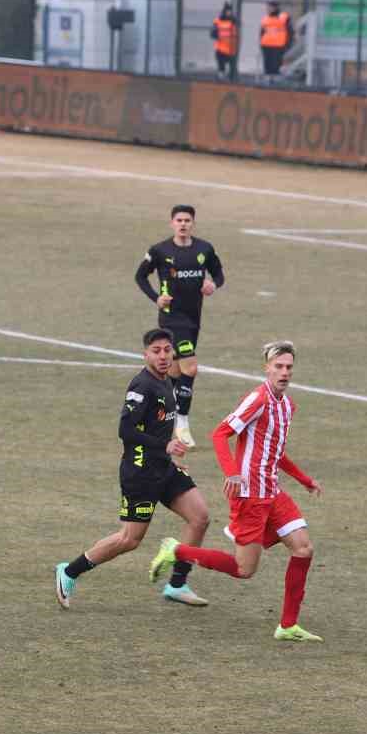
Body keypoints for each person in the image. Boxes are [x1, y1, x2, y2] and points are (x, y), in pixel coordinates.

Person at [147, 340, 325, 643]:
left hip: (273, 492)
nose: (284, 372)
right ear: (266, 368)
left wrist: (304, 479)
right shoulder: (258, 399)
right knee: (244, 569)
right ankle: (176, 550)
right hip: (251, 498)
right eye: (278, 366)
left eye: (288, 367)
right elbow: (221, 433)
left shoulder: (287, 406)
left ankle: (287, 625)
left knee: (304, 548)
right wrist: (231, 472)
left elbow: (275, 451)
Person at [54, 328, 211, 608]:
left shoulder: (166, 382)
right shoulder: (142, 386)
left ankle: (177, 584)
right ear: (145, 354)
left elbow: (161, 422)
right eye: (156, 351)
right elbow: (125, 429)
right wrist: (164, 447)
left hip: (165, 468)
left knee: (200, 517)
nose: (163, 356)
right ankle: (69, 571)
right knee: (129, 539)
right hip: (141, 473)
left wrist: (172, 450)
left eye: (167, 350)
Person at [133, 204, 225, 448]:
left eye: (187, 220)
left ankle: (162, 417)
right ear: (172, 223)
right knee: (191, 367)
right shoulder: (160, 250)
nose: (183, 224)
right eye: (179, 220)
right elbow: (140, 276)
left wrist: (213, 285)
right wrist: (156, 298)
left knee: (173, 373)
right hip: (171, 317)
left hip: (194, 317)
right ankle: (182, 422)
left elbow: (219, 274)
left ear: (193, 223)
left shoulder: (204, 249)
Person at [259, 0, 292, 80]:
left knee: (276, 66)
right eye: (268, 7)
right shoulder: (265, 18)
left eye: (270, 7)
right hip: (266, 45)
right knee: (267, 66)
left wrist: (288, 44)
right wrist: (261, 43)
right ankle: (267, 81)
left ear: (275, 7)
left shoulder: (284, 17)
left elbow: (290, 31)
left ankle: (275, 83)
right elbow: (262, 32)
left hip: (278, 46)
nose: (268, 9)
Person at [210, 2, 239, 81]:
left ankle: (232, 78)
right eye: (227, 10)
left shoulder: (234, 21)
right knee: (221, 65)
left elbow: (236, 35)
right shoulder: (218, 20)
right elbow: (212, 33)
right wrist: (216, 34)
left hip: (230, 49)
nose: (228, 12)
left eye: (230, 11)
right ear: (224, 11)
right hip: (220, 48)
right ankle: (221, 77)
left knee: (232, 67)